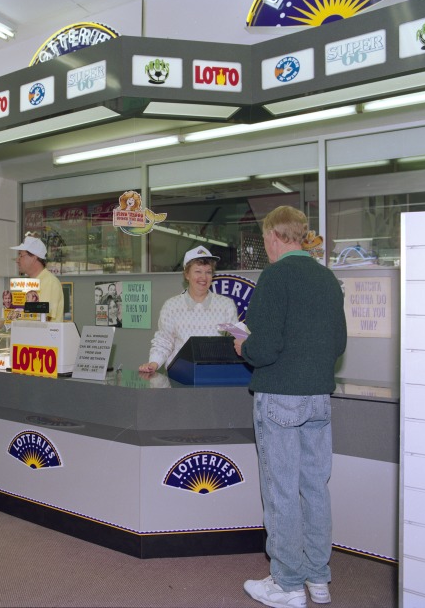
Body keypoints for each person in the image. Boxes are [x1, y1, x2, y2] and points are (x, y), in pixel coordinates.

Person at [233, 206, 346, 608]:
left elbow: (264, 348)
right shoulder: (327, 278)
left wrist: (244, 346)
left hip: (280, 396)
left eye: (265, 239)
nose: (266, 247)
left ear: (275, 236)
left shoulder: (275, 276)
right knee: (315, 488)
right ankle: (318, 578)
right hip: (318, 398)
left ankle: (287, 583)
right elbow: (338, 344)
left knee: (281, 490)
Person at [139, 245, 237, 373]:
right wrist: (153, 363)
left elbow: (236, 341)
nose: (203, 277)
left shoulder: (226, 305)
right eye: (198, 271)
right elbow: (164, 341)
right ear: (187, 274)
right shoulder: (171, 306)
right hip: (180, 376)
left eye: (208, 272)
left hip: (216, 375)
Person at [0, 235, 64, 330]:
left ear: (34, 257)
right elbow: (23, 315)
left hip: (42, 338)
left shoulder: (49, 282)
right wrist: (2, 323)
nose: (17, 260)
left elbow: (43, 319)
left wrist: (5, 323)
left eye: (21, 255)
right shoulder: (28, 284)